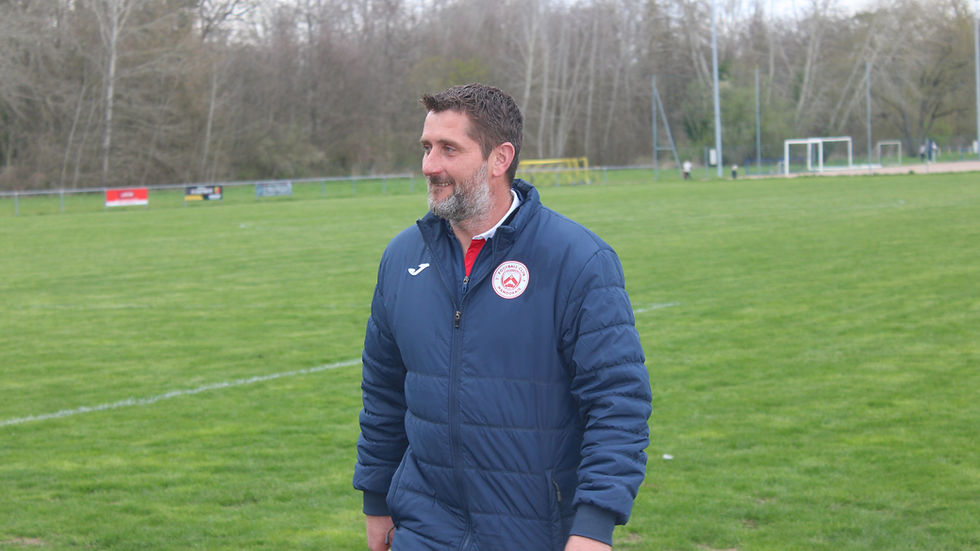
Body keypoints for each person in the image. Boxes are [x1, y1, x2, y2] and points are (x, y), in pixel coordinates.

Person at [353, 83, 652, 551]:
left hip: (535, 531)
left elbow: (618, 403)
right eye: (427, 148)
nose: (430, 165)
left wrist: (594, 526)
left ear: (500, 158)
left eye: (449, 149)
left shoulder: (577, 259)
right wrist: (377, 502)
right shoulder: (401, 258)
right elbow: (383, 394)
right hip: (424, 529)